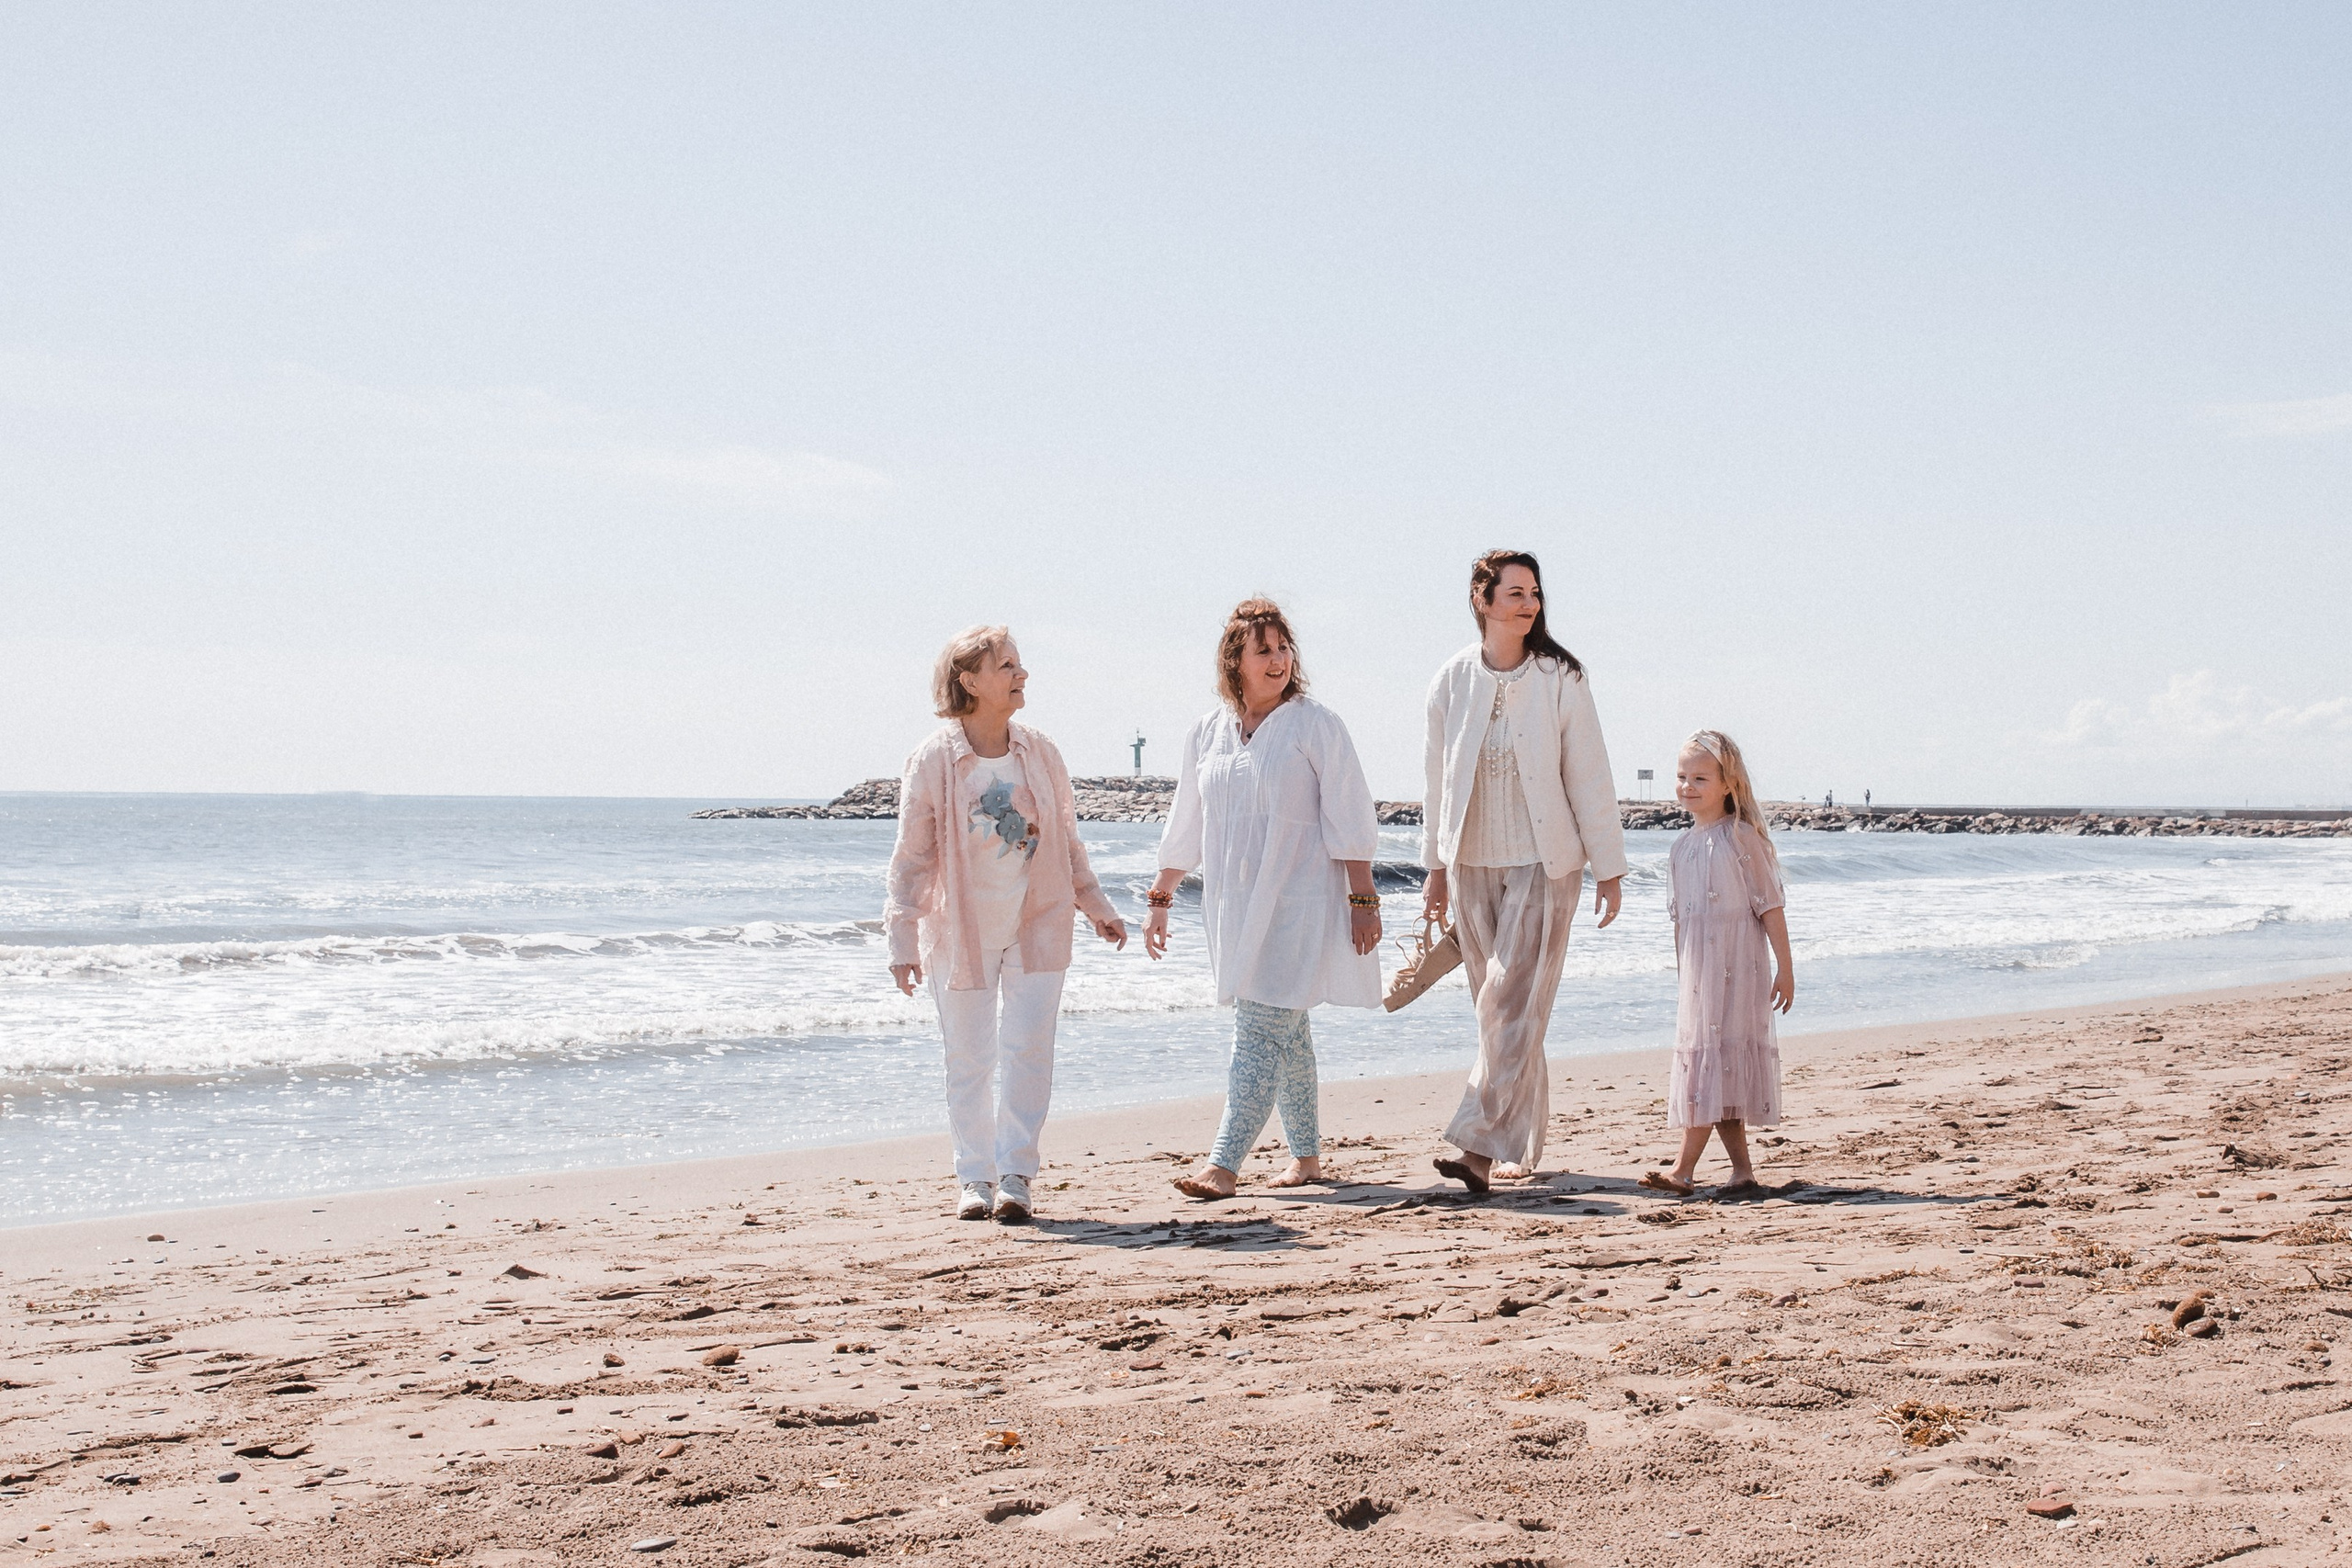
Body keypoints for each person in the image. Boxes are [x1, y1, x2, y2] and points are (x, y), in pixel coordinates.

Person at [884, 626, 1127, 1224]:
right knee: (969, 1057)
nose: (1022, 674)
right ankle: (975, 1177)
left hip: (1036, 921)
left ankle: (1016, 1174)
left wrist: (1094, 903)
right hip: (960, 930)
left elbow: (1066, 837)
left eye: (1020, 663)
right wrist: (901, 938)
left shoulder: (1039, 751)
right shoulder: (934, 759)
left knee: (1029, 1050)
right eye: (1008, 665)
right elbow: (912, 857)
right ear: (970, 681)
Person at [1142, 598, 1383, 1200]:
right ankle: (1306, 1158)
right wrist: (1162, 895)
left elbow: (1349, 809)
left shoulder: (1314, 723)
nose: (1278, 660)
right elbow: (1187, 820)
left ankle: (1222, 1165)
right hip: (1233, 906)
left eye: (1283, 647)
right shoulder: (1207, 732)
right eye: (1264, 650)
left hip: (1298, 903)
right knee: (1286, 1028)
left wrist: (1362, 896)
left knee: (1259, 1026)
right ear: (1236, 661)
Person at [1421, 549, 1627, 1192]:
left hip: (1547, 861)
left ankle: (1477, 1149)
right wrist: (1433, 868)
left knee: (1507, 1000)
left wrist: (1609, 867)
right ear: (1483, 600)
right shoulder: (1451, 681)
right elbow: (1435, 782)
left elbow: (1589, 771)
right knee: (1503, 1012)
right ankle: (1523, 1140)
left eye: (1534, 592)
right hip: (1470, 861)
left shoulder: (1561, 676)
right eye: (1514, 592)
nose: (1528, 603)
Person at [1641, 730, 1795, 1198]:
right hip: (1699, 978)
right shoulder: (1680, 847)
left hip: (1739, 970)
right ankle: (1743, 1172)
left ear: (1728, 784)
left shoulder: (1741, 838)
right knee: (1719, 1065)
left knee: (1716, 1063)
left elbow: (1770, 905)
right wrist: (1684, 972)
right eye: (1682, 777)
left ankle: (1683, 1170)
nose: (1687, 786)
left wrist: (1785, 969)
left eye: (1700, 777)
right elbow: (1680, 921)